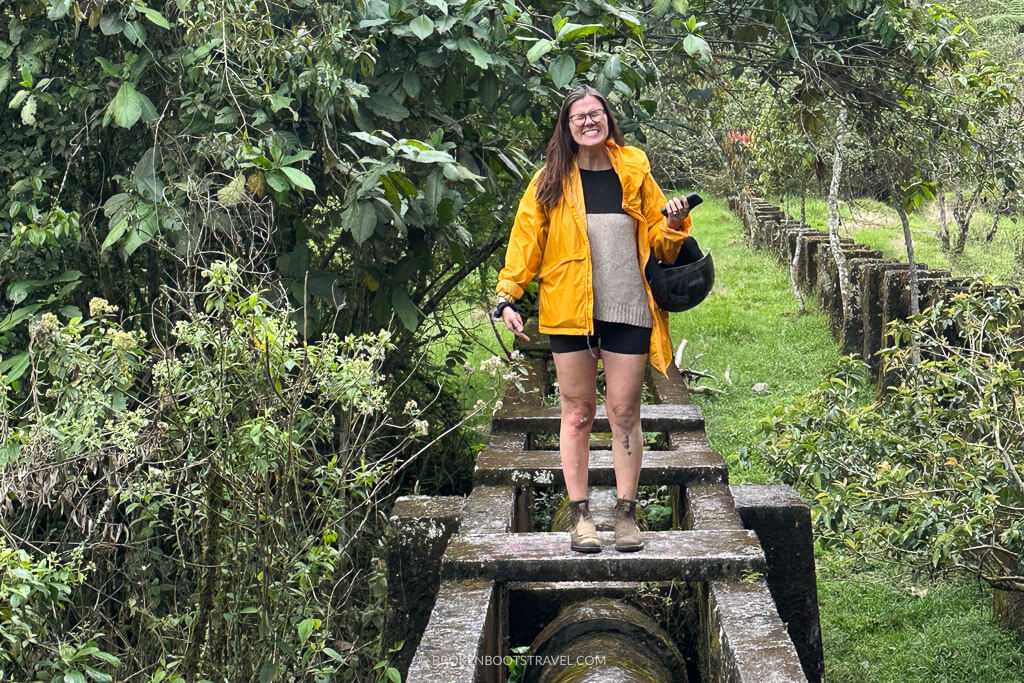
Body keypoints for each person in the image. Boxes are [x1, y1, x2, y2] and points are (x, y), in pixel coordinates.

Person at [494, 85, 693, 553]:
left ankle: (625, 513)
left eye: (595, 113)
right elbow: (526, 244)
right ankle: (580, 514)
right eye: (578, 116)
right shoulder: (549, 180)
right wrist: (507, 296)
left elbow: (661, 245)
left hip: (628, 306)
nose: (588, 121)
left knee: (625, 411)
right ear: (566, 128)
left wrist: (674, 224)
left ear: (608, 119)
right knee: (579, 413)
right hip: (569, 312)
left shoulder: (635, 168)